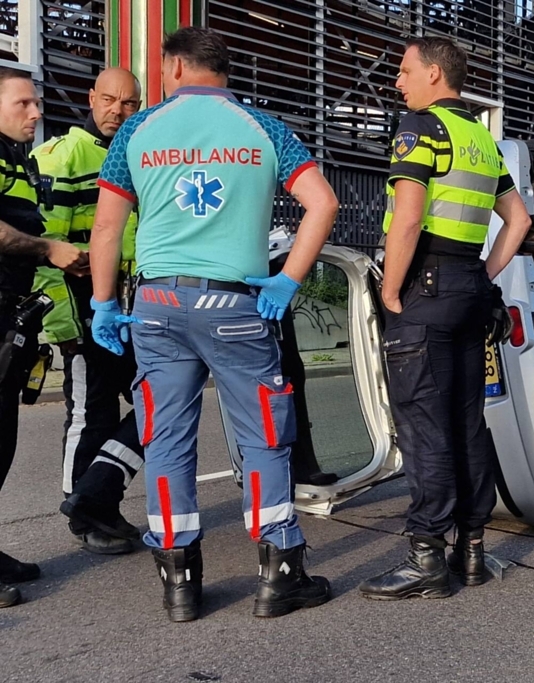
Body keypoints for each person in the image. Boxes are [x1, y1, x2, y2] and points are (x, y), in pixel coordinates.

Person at [88, 27, 339, 622]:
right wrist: (289, 279)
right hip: (236, 307)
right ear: (223, 71)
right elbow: (323, 203)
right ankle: (279, 576)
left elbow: (106, 229)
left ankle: (180, 584)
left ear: (174, 67)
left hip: (157, 306)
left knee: (166, 441)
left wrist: (102, 303)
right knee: (263, 438)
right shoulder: (264, 128)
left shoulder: (137, 130)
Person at [358, 37, 531, 600]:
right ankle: (472, 551)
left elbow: (406, 220)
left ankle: (427, 557)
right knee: (466, 422)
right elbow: (519, 220)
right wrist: (485, 272)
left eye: (405, 71)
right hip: (468, 292)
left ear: (434, 74)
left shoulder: (421, 127)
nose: (398, 82)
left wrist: (389, 290)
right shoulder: (481, 138)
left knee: (425, 427)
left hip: (425, 292)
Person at [32, 68, 144, 556]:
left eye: (129, 103)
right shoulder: (66, 155)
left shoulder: (129, 156)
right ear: (91, 98)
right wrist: (64, 326)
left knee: (154, 401)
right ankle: (84, 514)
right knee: (90, 412)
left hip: (124, 304)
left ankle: (97, 497)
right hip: (80, 308)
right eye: (110, 100)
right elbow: (43, 248)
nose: (117, 111)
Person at [0, 68, 88, 607]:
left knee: (2, 445)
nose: (36, 112)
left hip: (11, 315)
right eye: (23, 103)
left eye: (36, 102)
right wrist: (49, 249)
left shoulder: (18, 158)